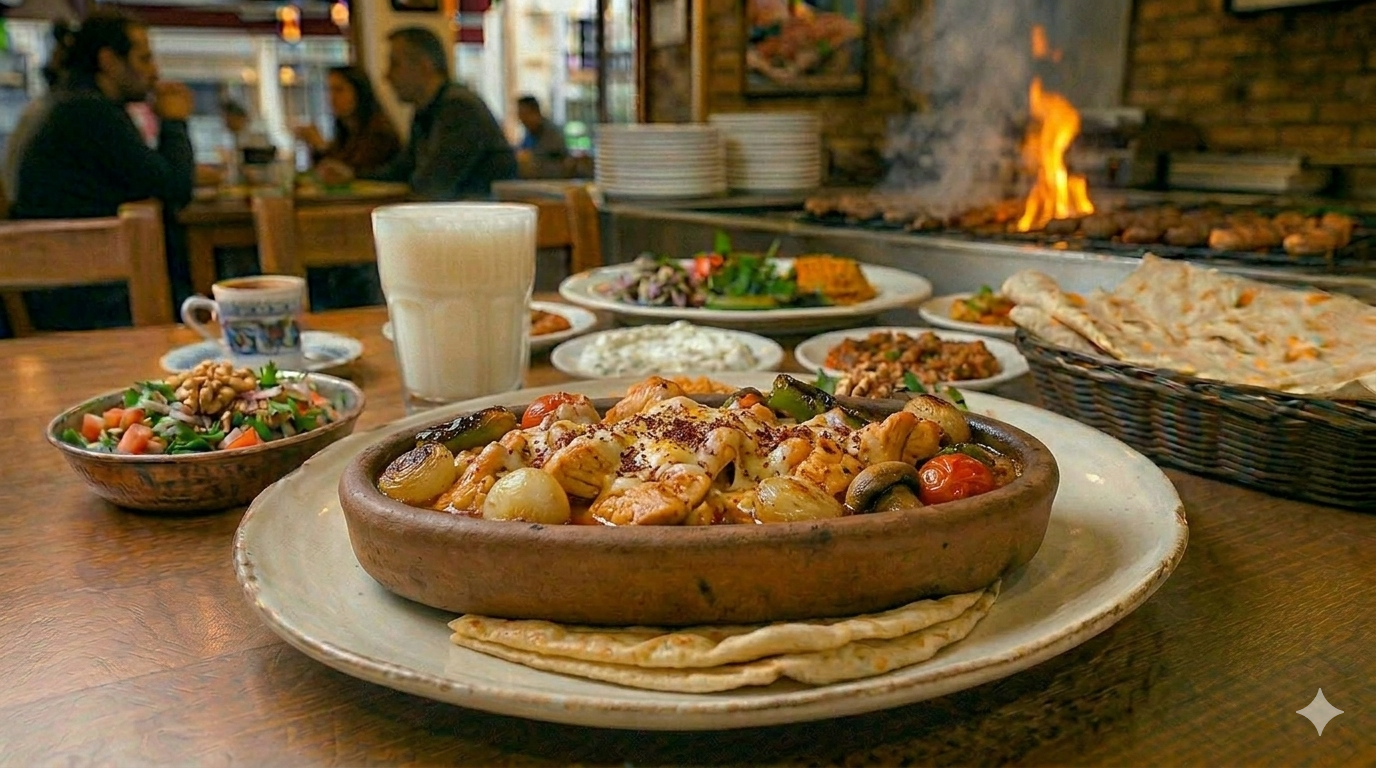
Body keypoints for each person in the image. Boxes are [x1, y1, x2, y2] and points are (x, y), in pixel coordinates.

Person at [10, 9, 195, 330]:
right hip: (93, 299)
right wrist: (174, 121)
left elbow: (144, 175)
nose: (155, 72)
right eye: (144, 59)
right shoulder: (90, 112)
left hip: (61, 290)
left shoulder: (63, 103)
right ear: (109, 60)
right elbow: (175, 188)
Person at [316, 27, 516, 200]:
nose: (386, 75)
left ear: (424, 65)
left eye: (395, 64)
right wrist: (354, 175)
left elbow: (433, 185)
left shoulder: (459, 107)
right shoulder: (426, 111)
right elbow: (401, 171)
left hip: (485, 223)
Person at [295, 66, 402, 177]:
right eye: (329, 90)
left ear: (359, 92)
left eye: (339, 90)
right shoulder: (345, 133)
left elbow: (348, 173)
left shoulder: (379, 134)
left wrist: (321, 145)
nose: (332, 97)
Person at [514, 94, 570, 179]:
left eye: (524, 114)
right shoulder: (529, 133)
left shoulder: (552, 135)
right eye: (520, 115)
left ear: (536, 113)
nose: (521, 119)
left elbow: (561, 166)